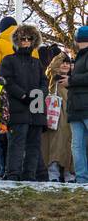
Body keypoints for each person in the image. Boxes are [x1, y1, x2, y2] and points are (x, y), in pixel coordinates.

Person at [0, 25, 46, 181]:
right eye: (22, 38)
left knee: (34, 145)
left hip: (36, 109)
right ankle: (13, 175)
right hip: (18, 108)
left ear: (34, 41)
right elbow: (7, 81)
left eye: (29, 38)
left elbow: (44, 82)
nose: (26, 41)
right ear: (17, 41)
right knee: (16, 144)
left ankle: (30, 176)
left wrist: (40, 94)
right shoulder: (9, 60)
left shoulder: (37, 62)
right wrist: (23, 96)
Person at [41, 52, 74, 181]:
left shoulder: (73, 80)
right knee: (55, 144)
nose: (65, 65)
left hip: (70, 117)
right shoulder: (54, 78)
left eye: (68, 63)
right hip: (56, 117)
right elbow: (52, 68)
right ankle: (53, 173)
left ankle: (68, 173)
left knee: (70, 146)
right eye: (63, 62)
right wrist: (62, 55)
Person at [67, 26, 88, 183]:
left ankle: (82, 177)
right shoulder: (79, 57)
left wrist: (70, 80)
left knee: (78, 146)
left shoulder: (84, 57)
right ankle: (81, 178)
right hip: (76, 108)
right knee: (77, 146)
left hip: (84, 106)